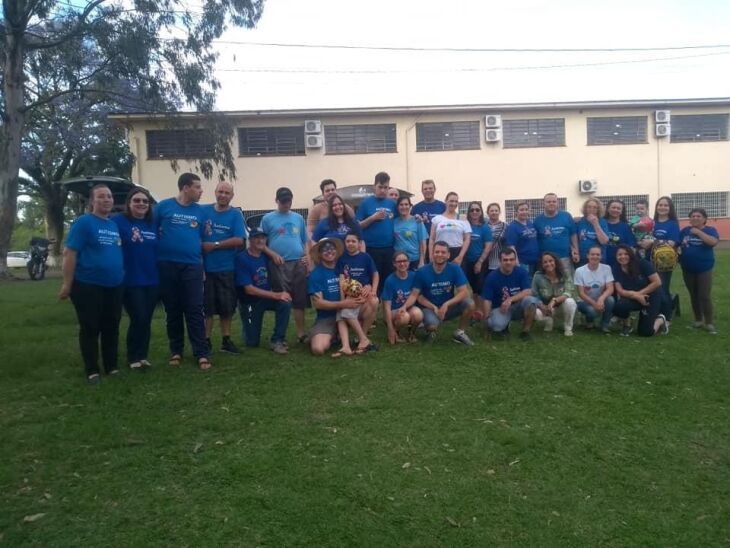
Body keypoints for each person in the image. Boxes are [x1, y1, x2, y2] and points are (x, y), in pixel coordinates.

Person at [59, 184, 125, 384]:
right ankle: (92, 370)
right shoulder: (84, 223)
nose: (106, 200)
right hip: (88, 285)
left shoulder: (113, 225)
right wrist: (67, 284)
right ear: (92, 202)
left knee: (111, 326)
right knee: (90, 327)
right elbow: (70, 254)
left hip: (114, 285)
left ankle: (111, 366)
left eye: (109, 196)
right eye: (101, 197)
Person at [154, 172, 211, 370]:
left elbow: (203, 238)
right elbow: (152, 232)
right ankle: (176, 351)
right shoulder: (163, 207)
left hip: (193, 266)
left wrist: (202, 264)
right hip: (167, 265)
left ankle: (201, 353)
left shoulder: (201, 212)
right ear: (185, 188)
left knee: (195, 309)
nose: (201, 190)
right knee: (173, 310)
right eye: (197, 187)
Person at [111, 187, 158, 371]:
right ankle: (133, 357)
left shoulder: (152, 224)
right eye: (136, 200)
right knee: (137, 317)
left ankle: (143, 355)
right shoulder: (118, 222)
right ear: (129, 203)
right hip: (130, 280)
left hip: (152, 279)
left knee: (146, 319)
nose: (141, 204)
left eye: (144, 201)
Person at [202, 181, 247, 354]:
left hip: (226, 268)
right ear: (215, 192)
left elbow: (239, 240)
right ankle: (205, 340)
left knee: (226, 307)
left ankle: (226, 340)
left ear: (232, 196)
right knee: (207, 308)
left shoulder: (235, 215)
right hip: (205, 269)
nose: (223, 195)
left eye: (227, 193)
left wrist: (215, 245)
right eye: (220, 191)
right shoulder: (203, 211)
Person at [261, 187, 311, 343]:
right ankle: (279, 335)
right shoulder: (268, 219)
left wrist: (307, 257)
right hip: (279, 264)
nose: (286, 204)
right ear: (276, 200)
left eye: (288, 200)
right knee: (283, 300)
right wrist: (273, 254)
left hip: (298, 263)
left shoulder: (298, 218)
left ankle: (301, 334)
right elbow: (260, 243)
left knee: (299, 300)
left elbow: (305, 241)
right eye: (283, 201)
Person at [403, 241, 475, 345]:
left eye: (443, 252)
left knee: (470, 303)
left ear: (448, 255)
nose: (440, 255)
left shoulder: (455, 269)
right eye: (437, 252)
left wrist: (447, 304)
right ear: (432, 254)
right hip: (429, 307)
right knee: (432, 325)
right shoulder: (422, 271)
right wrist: (433, 307)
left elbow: (464, 292)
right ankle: (430, 329)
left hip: (447, 307)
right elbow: (417, 295)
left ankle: (460, 333)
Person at [235, 227, 292, 354]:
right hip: (249, 303)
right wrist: (276, 295)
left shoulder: (266, 256)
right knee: (252, 343)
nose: (260, 240)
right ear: (250, 240)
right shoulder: (241, 258)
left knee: (285, 303)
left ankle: (277, 340)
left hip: (265, 299)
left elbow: (277, 258)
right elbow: (249, 290)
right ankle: (248, 325)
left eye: (263, 238)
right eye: (256, 238)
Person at [307, 238, 367, 356]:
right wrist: (342, 304)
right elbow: (318, 304)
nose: (329, 251)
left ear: (336, 250)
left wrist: (367, 287)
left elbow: (360, 283)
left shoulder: (345, 267)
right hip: (327, 317)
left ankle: (362, 338)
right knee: (318, 349)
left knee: (372, 302)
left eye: (331, 248)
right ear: (319, 254)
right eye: (325, 249)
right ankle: (334, 335)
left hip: (350, 312)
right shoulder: (316, 274)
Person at [481, 248, 540, 341]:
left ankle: (525, 332)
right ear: (500, 261)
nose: (508, 262)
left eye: (511, 259)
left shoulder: (521, 272)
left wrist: (510, 299)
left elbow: (528, 291)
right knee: (496, 326)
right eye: (505, 260)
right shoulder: (492, 277)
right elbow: (487, 300)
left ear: (515, 260)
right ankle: (504, 325)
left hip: (517, 306)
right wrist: (486, 320)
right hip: (500, 308)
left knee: (531, 301)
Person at [612, 244, 668, 337]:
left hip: (650, 297)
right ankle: (627, 324)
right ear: (616, 256)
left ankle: (660, 320)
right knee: (619, 306)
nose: (622, 257)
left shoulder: (642, 264)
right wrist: (636, 296)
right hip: (632, 297)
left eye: (626, 254)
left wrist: (639, 294)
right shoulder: (616, 268)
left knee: (645, 333)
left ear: (630, 254)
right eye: (619, 254)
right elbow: (620, 291)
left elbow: (657, 282)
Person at [679, 208, 719, 334]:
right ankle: (698, 320)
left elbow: (713, 242)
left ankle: (709, 322)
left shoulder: (710, 230)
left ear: (704, 219)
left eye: (698, 216)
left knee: (704, 295)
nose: (695, 218)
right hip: (687, 268)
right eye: (693, 216)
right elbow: (678, 244)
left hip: (704, 268)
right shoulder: (685, 231)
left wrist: (698, 232)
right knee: (694, 295)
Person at [642, 196, 680, 324]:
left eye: (666, 205)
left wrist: (653, 242)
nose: (662, 207)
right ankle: (655, 313)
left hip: (664, 263)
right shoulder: (651, 223)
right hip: (649, 260)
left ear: (670, 208)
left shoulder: (672, 224)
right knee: (652, 288)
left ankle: (667, 317)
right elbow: (643, 237)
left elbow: (672, 243)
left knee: (662, 289)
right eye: (660, 205)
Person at [356, 172, 397, 293]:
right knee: (373, 278)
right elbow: (357, 226)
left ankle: (387, 303)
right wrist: (372, 218)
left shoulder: (392, 203)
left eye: (386, 187)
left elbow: (401, 219)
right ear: (374, 186)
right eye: (380, 187)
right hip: (371, 248)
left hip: (389, 248)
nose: (383, 190)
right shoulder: (365, 203)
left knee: (388, 279)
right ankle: (373, 302)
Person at [336, 232, 379, 334]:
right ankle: (357, 327)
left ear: (359, 243)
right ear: (345, 243)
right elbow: (341, 280)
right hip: (350, 294)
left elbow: (375, 274)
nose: (350, 244)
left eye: (353, 241)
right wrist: (342, 301)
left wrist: (373, 290)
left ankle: (363, 333)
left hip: (364, 291)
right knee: (348, 310)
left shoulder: (365, 257)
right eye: (348, 241)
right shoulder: (342, 258)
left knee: (375, 301)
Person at [532, 251, 578, 336]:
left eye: (550, 261)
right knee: (534, 312)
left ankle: (568, 327)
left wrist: (554, 300)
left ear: (555, 261)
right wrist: (542, 306)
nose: (548, 264)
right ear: (542, 265)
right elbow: (534, 295)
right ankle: (548, 321)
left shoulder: (565, 273)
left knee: (570, 302)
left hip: (561, 306)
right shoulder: (538, 276)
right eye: (545, 262)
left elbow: (568, 292)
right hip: (546, 308)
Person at [382, 251, 424, 344]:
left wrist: (404, 307)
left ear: (409, 262)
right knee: (404, 317)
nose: (402, 264)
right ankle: (395, 331)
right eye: (399, 261)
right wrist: (390, 329)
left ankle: (412, 333)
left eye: (405, 261)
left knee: (418, 314)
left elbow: (415, 295)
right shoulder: (390, 280)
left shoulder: (413, 276)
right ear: (394, 264)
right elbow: (386, 307)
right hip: (393, 311)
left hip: (408, 308)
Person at [575, 244, 615, 333]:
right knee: (591, 311)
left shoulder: (607, 268)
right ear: (587, 255)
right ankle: (589, 322)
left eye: (598, 254)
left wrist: (601, 299)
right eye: (592, 254)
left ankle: (605, 325)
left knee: (610, 300)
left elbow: (610, 288)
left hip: (599, 299)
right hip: (584, 301)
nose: (595, 256)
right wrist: (594, 304)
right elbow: (581, 293)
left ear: (601, 256)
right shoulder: (579, 271)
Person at [533, 192, 579, 273]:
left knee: (567, 283)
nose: (551, 204)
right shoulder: (537, 220)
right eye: (548, 202)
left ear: (557, 203)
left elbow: (573, 235)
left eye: (554, 201)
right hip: (546, 261)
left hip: (565, 258)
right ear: (544, 203)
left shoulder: (566, 216)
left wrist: (576, 251)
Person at [464, 202, 493, 313]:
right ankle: (474, 310)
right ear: (469, 212)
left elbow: (488, 246)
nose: (474, 212)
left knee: (480, 287)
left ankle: (481, 311)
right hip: (467, 261)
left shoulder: (484, 227)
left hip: (480, 261)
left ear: (481, 212)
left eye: (477, 210)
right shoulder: (465, 225)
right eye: (472, 210)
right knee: (471, 287)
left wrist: (480, 262)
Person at [429, 191, 471, 265]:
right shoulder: (437, 219)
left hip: (457, 253)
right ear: (446, 201)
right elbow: (432, 239)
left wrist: (460, 257)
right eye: (451, 201)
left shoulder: (462, 218)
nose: (454, 203)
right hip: (440, 252)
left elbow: (467, 239)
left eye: (456, 201)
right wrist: (431, 255)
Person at [393, 195, 427, 270]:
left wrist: (421, 261)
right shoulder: (394, 222)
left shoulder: (417, 221)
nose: (404, 207)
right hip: (399, 261)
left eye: (406, 204)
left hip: (414, 260)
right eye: (401, 205)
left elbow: (423, 243)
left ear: (410, 206)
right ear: (397, 207)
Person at [504, 201, 539, 274]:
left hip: (536, 261)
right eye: (521, 210)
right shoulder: (512, 227)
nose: (524, 212)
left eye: (526, 209)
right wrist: (516, 263)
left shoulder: (530, 223)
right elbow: (511, 247)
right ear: (516, 212)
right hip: (523, 263)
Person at [411, 179, 446, 246]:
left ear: (435, 189)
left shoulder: (443, 206)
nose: (428, 190)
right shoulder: (416, 208)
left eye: (430, 188)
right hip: (422, 244)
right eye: (425, 189)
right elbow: (411, 225)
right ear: (422, 191)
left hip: (439, 243)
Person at [576, 197, 609, 264]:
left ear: (598, 209)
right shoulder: (579, 221)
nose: (591, 209)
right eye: (589, 207)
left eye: (595, 207)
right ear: (585, 208)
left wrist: (595, 224)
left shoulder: (602, 222)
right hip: (583, 258)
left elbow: (604, 241)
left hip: (598, 258)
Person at [603, 199, 636, 268]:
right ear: (608, 209)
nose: (615, 210)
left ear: (621, 211)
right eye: (613, 207)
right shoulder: (601, 223)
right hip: (602, 261)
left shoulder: (626, 227)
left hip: (619, 263)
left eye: (618, 208)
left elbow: (631, 245)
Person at [485, 203, 506, 275]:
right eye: (492, 211)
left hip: (500, 262)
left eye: (496, 210)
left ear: (499, 212)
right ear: (487, 213)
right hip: (485, 261)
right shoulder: (483, 226)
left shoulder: (505, 226)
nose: (494, 212)